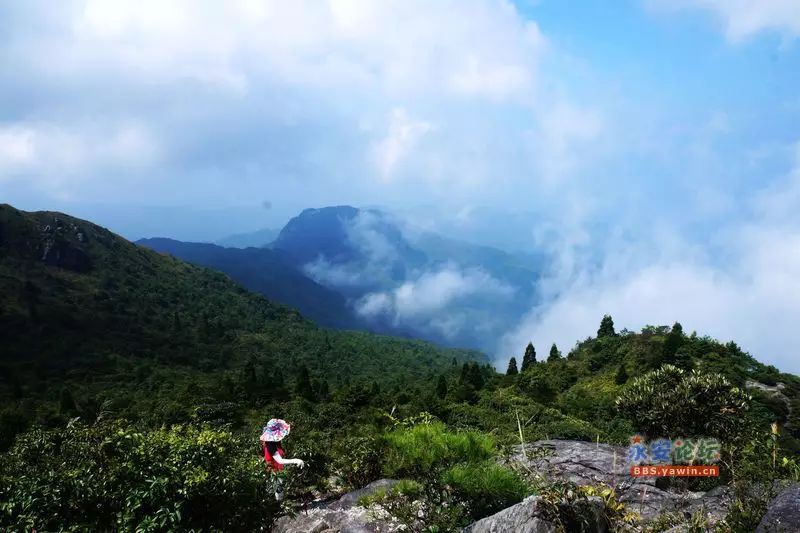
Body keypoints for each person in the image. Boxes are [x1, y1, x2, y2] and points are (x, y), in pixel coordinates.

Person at [260, 418, 304, 501]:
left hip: (276, 467)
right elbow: (279, 460)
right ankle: (278, 504)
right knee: (277, 488)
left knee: (278, 487)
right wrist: (296, 460)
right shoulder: (270, 444)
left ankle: (278, 502)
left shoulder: (273, 441)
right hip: (273, 469)